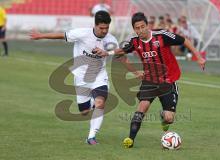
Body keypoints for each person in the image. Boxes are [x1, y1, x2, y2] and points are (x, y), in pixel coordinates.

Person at [94, 12, 205, 148]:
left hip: (167, 80)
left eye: (142, 27)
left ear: (148, 26)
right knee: (142, 107)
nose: (140, 30)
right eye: (137, 28)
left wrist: (198, 57)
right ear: (134, 29)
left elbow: (184, 41)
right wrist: (107, 53)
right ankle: (130, 139)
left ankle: (164, 118)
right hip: (149, 81)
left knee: (169, 118)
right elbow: (122, 51)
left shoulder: (162, 36)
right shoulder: (135, 42)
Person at [30, 11, 118, 145]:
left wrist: (109, 52)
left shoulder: (111, 39)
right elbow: (61, 35)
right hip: (81, 78)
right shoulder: (82, 34)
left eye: (107, 28)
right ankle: (92, 105)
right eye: (101, 28)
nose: (104, 31)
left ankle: (91, 137)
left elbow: (119, 51)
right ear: (94, 25)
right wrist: (41, 35)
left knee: (100, 104)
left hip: (99, 77)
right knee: (84, 112)